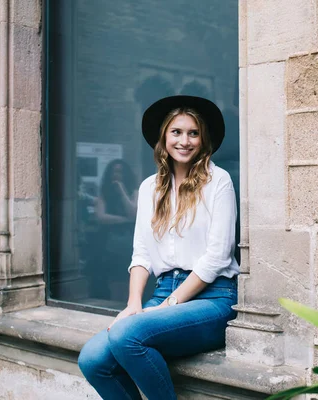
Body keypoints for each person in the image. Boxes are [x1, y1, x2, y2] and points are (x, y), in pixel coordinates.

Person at [78, 95, 240, 399]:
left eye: (193, 133)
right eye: (176, 132)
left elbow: (218, 255)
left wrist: (172, 303)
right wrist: (134, 303)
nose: (185, 141)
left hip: (214, 296)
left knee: (128, 336)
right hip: (164, 290)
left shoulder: (219, 181)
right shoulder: (149, 188)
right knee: (93, 360)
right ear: (164, 137)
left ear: (203, 139)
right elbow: (141, 253)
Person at [89, 159, 138, 301]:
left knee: (127, 277)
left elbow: (133, 212)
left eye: (121, 172)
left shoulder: (134, 192)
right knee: (113, 277)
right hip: (109, 241)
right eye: (115, 171)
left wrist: (122, 191)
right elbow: (101, 217)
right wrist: (124, 220)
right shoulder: (104, 193)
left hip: (129, 240)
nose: (117, 175)